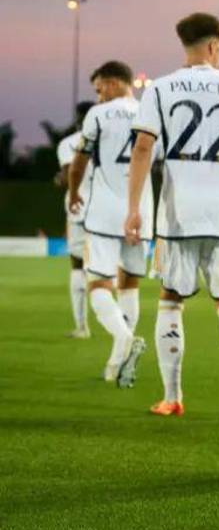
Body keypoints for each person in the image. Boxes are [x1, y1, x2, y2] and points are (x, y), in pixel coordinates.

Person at [124, 12, 219, 422]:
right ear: (212, 46)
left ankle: (172, 397)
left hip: (178, 215)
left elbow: (143, 149)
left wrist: (134, 209)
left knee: (171, 300)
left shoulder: (161, 88)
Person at [67, 61, 152, 385]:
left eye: (100, 87)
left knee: (98, 284)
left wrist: (74, 191)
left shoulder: (98, 114)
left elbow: (78, 163)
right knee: (129, 283)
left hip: (104, 211)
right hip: (140, 211)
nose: (98, 95)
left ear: (115, 82)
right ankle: (120, 360)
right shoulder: (150, 111)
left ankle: (122, 337)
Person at [55, 100, 94, 339]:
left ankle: (82, 327)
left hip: (79, 206)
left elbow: (70, 173)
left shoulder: (68, 143)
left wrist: (59, 179)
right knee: (112, 267)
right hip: (107, 208)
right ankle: (122, 325)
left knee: (78, 265)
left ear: (78, 118)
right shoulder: (110, 139)